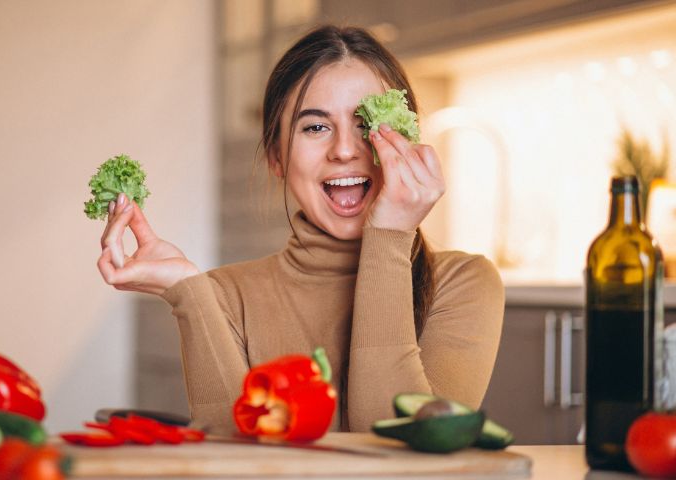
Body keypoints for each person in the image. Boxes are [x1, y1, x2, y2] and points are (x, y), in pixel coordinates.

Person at [97, 25, 504, 434]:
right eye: (315, 127)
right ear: (276, 157)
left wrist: (391, 237)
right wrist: (187, 291)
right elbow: (235, 462)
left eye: (366, 123)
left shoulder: (464, 283)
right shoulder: (223, 296)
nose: (345, 149)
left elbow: (398, 454)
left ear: (407, 140)